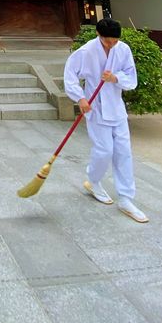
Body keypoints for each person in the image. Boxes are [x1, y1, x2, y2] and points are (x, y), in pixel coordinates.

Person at [63, 17, 148, 223]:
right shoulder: (86, 51)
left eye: (114, 41)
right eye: (107, 41)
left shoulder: (123, 49)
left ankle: (126, 198)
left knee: (123, 152)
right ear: (98, 36)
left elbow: (131, 77)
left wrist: (116, 78)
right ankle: (93, 180)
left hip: (117, 107)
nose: (111, 44)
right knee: (104, 150)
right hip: (96, 106)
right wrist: (80, 98)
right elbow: (70, 75)